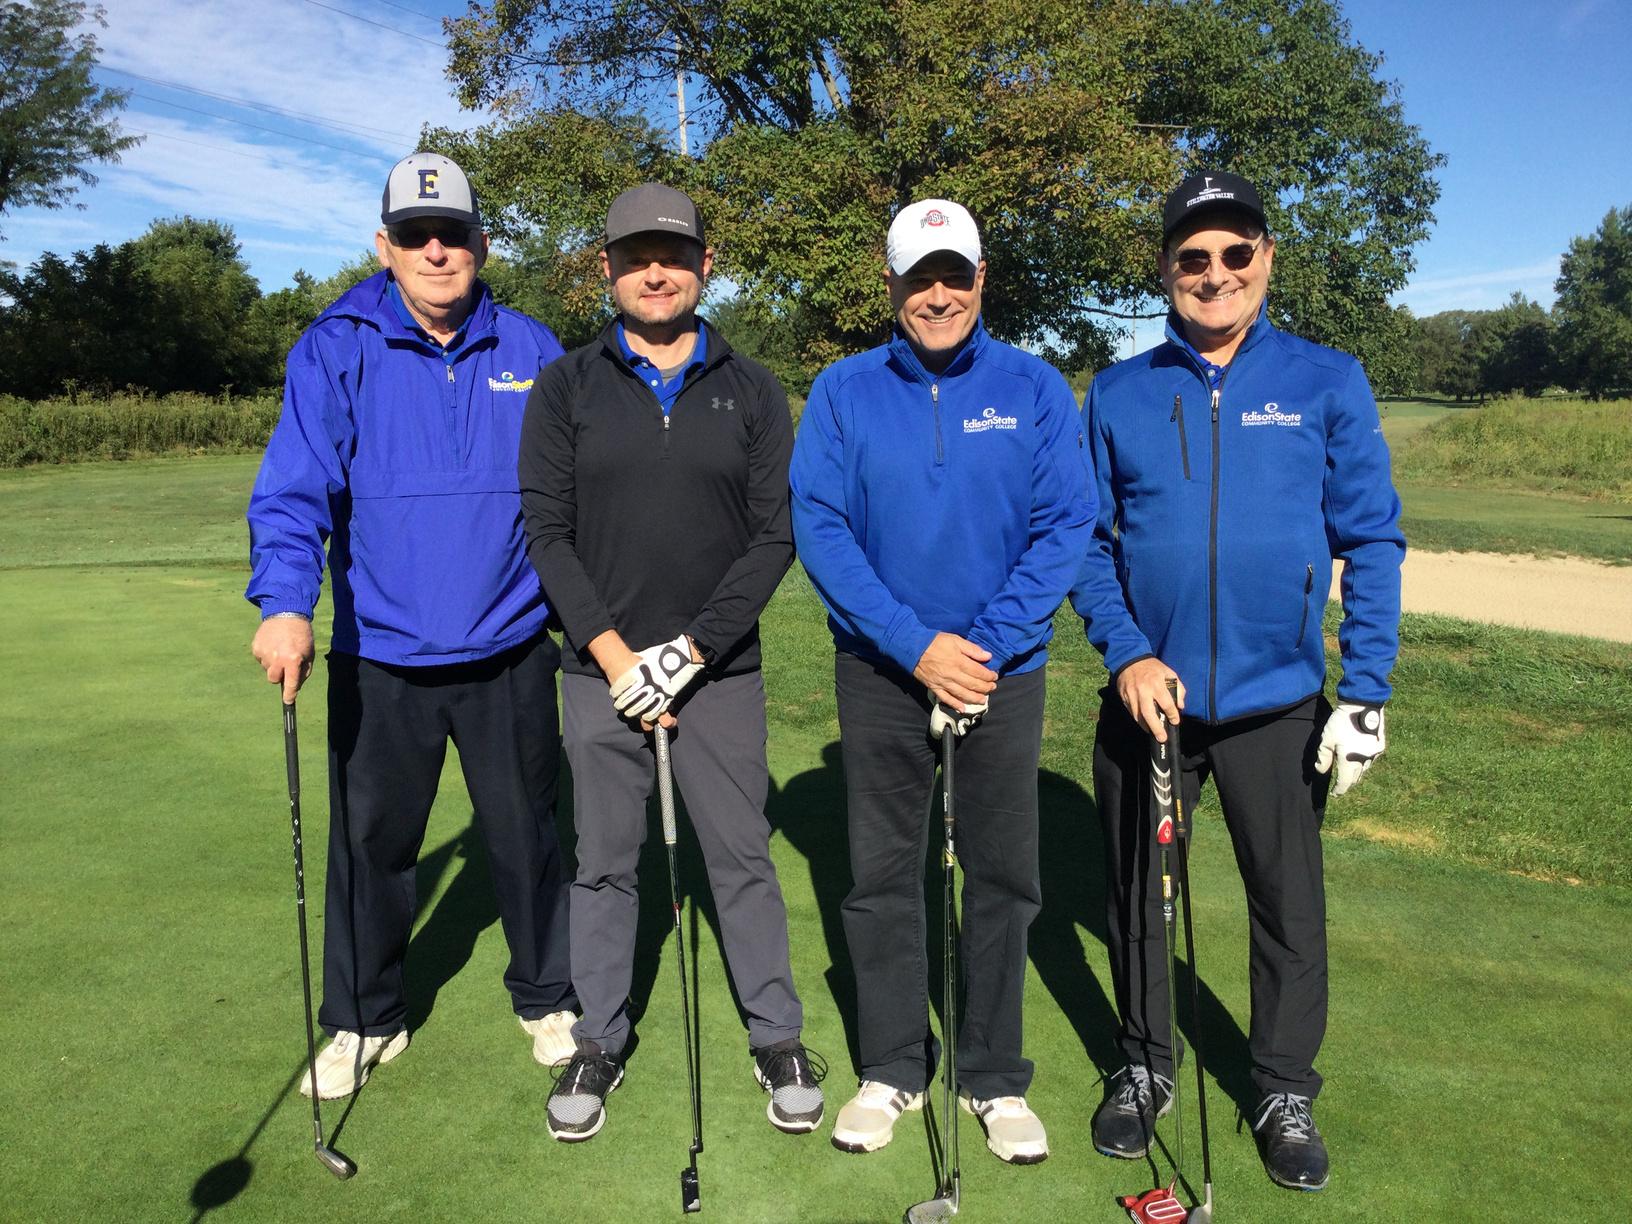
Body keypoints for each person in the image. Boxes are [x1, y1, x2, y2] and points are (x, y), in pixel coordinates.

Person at [1072, 170, 1404, 1191]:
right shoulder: (1120, 391)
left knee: (1286, 906)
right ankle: (1144, 1065)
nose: (1214, 273)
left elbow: (1371, 538)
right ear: (1165, 267)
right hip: (1150, 701)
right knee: (1138, 897)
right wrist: (1128, 651)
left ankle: (1282, 1087)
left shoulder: (1326, 379)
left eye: (1234, 251)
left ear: (1265, 257)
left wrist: (1367, 689)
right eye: (1192, 255)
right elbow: (1086, 543)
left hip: (1277, 700)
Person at [246, 152, 577, 1099]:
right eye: (416, 235)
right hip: (381, 654)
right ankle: (364, 1018)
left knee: (528, 836)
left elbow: (575, 496)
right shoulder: (336, 345)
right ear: (384, 246)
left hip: (510, 646)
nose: (437, 251)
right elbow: (295, 489)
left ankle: (547, 995)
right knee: (372, 848)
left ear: (482, 245)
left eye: (454, 235)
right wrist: (284, 604)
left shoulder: (532, 348)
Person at [789, 199, 1096, 1165]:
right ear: (889, 284)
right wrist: (915, 646)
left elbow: (1066, 525)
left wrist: (983, 648)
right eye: (918, 277)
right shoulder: (842, 390)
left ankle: (993, 1075)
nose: (937, 295)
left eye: (953, 275)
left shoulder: (1034, 388)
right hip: (880, 671)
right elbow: (819, 527)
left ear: (980, 278)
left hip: (1003, 672)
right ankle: (893, 1066)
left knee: (1002, 876)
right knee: (883, 876)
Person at [518, 183, 823, 1143]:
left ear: (704, 265)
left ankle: (776, 1035)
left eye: (675, 256)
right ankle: (599, 1039)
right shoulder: (566, 386)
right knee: (605, 865)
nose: (657, 272)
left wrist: (689, 653)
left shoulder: (754, 389)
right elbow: (547, 533)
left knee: (740, 858)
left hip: (719, 672)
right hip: (598, 674)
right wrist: (617, 658)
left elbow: (775, 537)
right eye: (636, 257)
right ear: (607, 269)